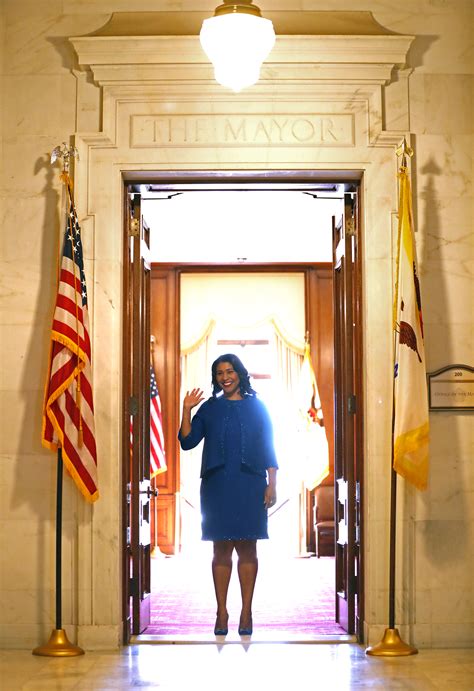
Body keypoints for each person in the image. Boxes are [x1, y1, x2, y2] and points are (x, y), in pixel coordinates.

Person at [178, 353, 278, 637]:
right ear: (216, 378)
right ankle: (221, 611)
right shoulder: (209, 408)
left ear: (239, 373)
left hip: (250, 484)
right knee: (220, 550)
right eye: (220, 373)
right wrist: (187, 409)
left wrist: (272, 483)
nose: (225, 377)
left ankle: (246, 611)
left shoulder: (257, 407)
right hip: (217, 485)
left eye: (230, 371)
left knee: (248, 549)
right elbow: (187, 441)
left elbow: (268, 446)